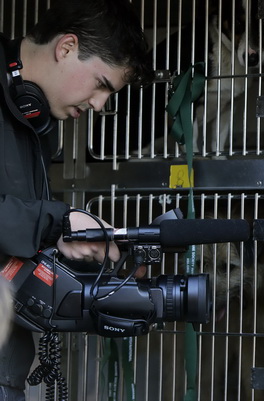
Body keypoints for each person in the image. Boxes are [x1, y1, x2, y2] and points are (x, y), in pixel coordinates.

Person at [0, 0, 153, 399]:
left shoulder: (36, 115)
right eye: (102, 85)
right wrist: (59, 222)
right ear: (66, 47)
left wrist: (67, 247)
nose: (100, 105)